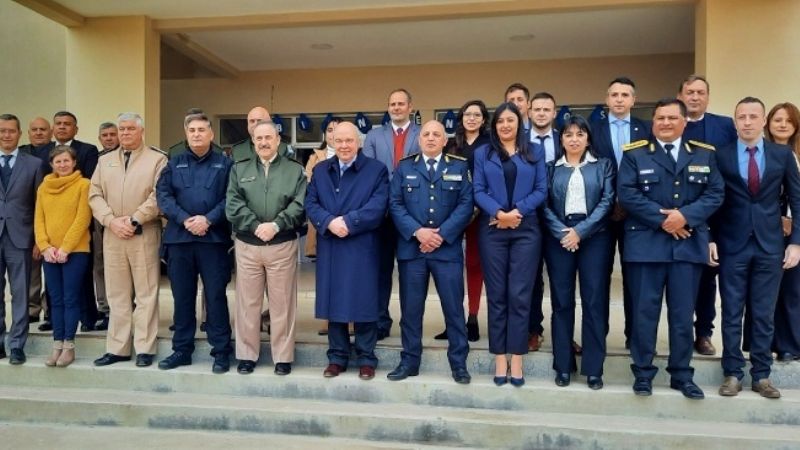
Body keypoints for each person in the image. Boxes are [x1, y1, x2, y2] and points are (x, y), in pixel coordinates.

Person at [618, 98, 724, 399]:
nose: (665, 123)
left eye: (671, 118)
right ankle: (642, 373)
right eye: (660, 118)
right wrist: (664, 220)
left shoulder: (704, 155)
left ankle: (681, 374)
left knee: (682, 315)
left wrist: (684, 217)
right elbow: (627, 193)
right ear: (653, 121)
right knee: (644, 314)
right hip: (646, 246)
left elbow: (716, 193)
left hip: (688, 246)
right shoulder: (635, 153)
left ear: (684, 122)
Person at [713, 97, 800, 399]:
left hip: (770, 245)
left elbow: (797, 201)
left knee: (763, 313)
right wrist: (711, 239)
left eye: (753, 116)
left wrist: (796, 243)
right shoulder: (721, 156)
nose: (747, 122)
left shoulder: (782, 154)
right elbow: (713, 200)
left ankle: (761, 375)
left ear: (763, 121)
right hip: (731, 244)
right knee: (732, 311)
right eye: (741, 117)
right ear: (735, 121)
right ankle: (733, 373)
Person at [388, 120, 473, 384]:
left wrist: (441, 235)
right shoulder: (404, 167)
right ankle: (409, 362)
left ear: (445, 140)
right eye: (426, 134)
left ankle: (459, 364)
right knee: (411, 311)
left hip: (446, 250)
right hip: (412, 250)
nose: (431, 138)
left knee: (454, 310)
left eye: (437, 134)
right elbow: (395, 203)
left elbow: (466, 204)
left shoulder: (459, 166)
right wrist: (418, 232)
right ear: (419, 139)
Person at [305, 122, 389, 381]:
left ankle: (366, 358)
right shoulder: (320, 171)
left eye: (348, 141)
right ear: (332, 141)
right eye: (338, 140)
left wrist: (349, 222)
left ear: (359, 142)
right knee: (334, 302)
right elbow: (311, 201)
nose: (343, 145)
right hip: (331, 243)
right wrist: (329, 222)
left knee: (364, 301)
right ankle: (337, 357)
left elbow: (378, 205)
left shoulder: (376, 170)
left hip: (362, 244)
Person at [473, 102, 547, 387]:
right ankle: (499, 358)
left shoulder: (535, 151)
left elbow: (541, 189)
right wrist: (500, 214)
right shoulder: (483, 153)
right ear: (494, 125)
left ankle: (517, 356)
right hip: (493, 230)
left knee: (519, 294)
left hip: (526, 229)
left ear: (520, 123)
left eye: (511, 120)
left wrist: (517, 212)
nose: (505, 125)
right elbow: (478, 190)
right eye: (500, 121)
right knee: (497, 295)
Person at [226, 120, 306, 375]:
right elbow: (233, 204)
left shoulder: (294, 170)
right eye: (259, 138)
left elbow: (300, 204)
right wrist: (256, 226)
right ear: (253, 141)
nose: (263, 143)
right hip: (248, 244)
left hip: (281, 244)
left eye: (268, 138)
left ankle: (282, 357)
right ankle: (247, 355)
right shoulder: (239, 169)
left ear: (278, 140)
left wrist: (276, 225)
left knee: (282, 304)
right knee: (247, 303)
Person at [156, 113, 234, 374]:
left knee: (215, 297)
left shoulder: (225, 165)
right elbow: (163, 196)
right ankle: (182, 350)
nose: (197, 134)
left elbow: (230, 198)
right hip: (180, 240)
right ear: (186, 134)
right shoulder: (173, 163)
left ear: (211, 134)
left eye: (202, 129)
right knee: (182, 297)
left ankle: (221, 351)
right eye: (192, 130)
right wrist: (185, 219)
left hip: (213, 241)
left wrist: (208, 219)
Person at [89, 112, 167, 368]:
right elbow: (95, 195)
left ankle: (145, 347)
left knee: (146, 293)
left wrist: (135, 219)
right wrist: (110, 220)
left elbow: (159, 195)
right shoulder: (105, 161)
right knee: (117, 294)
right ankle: (118, 348)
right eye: (121, 129)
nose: (124, 133)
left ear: (141, 131)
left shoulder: (157, 160)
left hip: (143, 233)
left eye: (130, 129)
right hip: (113, 234)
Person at [542, 115, 614, 389]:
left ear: (587, 139)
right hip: (559, 236)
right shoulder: (550, 168)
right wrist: (564, 232)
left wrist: (580, 232)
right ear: (561, 139)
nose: (574, 139)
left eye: (579, 134)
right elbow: (544, 205)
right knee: (562, 303)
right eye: (569, 135)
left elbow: (607, 201)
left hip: (594, 237)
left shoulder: (603, 166)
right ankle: (563, 365)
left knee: (594, 302)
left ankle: (594, 368)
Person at [677, 75, 738, 356]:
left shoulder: (725, 126)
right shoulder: (671, 123)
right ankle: (680, 331)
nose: (695, 97)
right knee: (682, 278)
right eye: (689, 92)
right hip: (677, 214)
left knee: (708, 276)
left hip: (715, 210)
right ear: (681, 95)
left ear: (708, 97)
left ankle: (703, 333)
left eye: (700, 92)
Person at [589, 76, 651, 350]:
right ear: (606, 99)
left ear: (633, 100)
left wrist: (630, 202)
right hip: (601, 215)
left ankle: (633, 335)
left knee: (634, 278)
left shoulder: (645, 130)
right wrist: (608, 201)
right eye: (614, 94)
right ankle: (598, 335)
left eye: (625, 95)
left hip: (635, 216)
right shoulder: (593, 129)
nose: (619, 99)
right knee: (598, 278)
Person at [362, 88, 421, 340]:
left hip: (413, 215)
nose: (396, 107)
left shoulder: (422, 134)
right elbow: (369, 173)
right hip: (382, 216)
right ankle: (380, 322)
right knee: (381, 271)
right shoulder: (374, 136)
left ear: (410, 107)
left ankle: (410, 324)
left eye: (401, 104)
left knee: (410, 274)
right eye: (392, 104)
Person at [435, 100, 490, 342]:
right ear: (461, 118)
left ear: (484, 119)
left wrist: (478, 206)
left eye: (477, 115)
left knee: (475, 265)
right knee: (451, 267)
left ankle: (473, 317)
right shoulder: (450, 145)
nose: (472, 118)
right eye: (467, 114)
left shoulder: (490, 144)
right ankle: (454, 321)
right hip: (454, 213)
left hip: (482, 213)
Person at [34, 145, 91, 367]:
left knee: (70, 298)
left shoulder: (83, 185)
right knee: (55, 300)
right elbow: (39, 219)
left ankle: (69, 345)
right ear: (52, 165)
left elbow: (82, 219)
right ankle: (56, 343)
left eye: (66, 161)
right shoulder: (43, 187)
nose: (62, 165)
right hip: (50, 253)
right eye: (58, 162)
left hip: (75, 252)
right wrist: (45, 246)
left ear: (74, 162)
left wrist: (65, 247)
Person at [0, 114, 44, 365]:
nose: (6, 135)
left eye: (11, 131)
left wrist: (39, 239)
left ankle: (17, 344)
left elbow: (40, 205)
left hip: (22, 237)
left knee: (21, 294)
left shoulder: (34, 164)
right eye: (2, 131)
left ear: (20, 134)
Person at [527, 91, 564, 352]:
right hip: (529, 216)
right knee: (530, 279)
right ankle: (533, 330)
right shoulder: (518, 142)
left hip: (562, 217)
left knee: (561, 278)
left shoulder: (568, 138)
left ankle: (563, 334)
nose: (541, 113)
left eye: (546, 109)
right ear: (529, 112)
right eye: (536, 109)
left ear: (555, 112)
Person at [765, 102, 800, 362]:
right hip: (770, 229)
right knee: (769, 290)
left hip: (796, 230)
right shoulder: (761, 152)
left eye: (788, 120)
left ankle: (790, 345)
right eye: (777, 119)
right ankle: (769, 342)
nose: (782, 124)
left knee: (793, 290)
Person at [304, 117, 342, 336]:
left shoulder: (356, 157)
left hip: (348, 226)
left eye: (338, 130)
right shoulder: (315, 158)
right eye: (329, 130)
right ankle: (328, 321)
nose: (333, 134)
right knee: (326, 278)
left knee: (347, 277)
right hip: (324, 225)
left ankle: (350, 321)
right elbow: (311, 190)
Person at [19, 117, 53, 329]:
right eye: (34, 130)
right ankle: (32, 309)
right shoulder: (21, 153)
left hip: (51, 216)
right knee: (30, 268)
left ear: (50, 133)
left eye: (43, 129)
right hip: (24, 217)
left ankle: (50, 309)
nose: (39, 133)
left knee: (50, 266)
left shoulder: (56, 153)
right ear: (28, 133)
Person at [92, 122, 119, 330]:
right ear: (100, 138)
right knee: (100, 263)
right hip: (100, 219)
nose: (109, 138)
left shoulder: (128, 157)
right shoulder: (96, 158)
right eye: (105, 135)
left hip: (125, 219)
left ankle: (125, 306)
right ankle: (105, 308)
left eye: (113, 134)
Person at [231, 106, 295, 163]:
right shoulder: (236, 150)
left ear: (269, 122)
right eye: (252, 121)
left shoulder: (284, 149)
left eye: (259, 121)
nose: (255, 124)